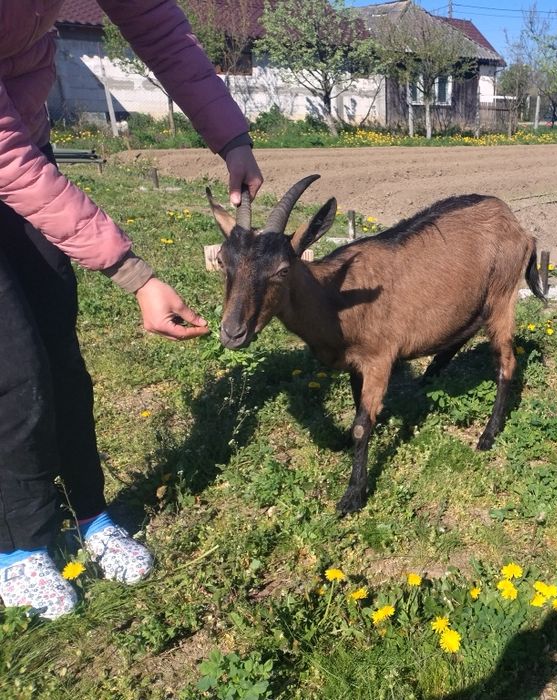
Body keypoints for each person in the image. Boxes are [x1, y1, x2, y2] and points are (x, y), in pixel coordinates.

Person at [0, 1, 263, 619]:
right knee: (14, 370)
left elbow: (161, 31)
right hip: (7, 152)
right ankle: (20, 546)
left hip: (25, 139)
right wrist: (132, 272)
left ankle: (91, 513)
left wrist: (231, 135)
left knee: (61, 356)